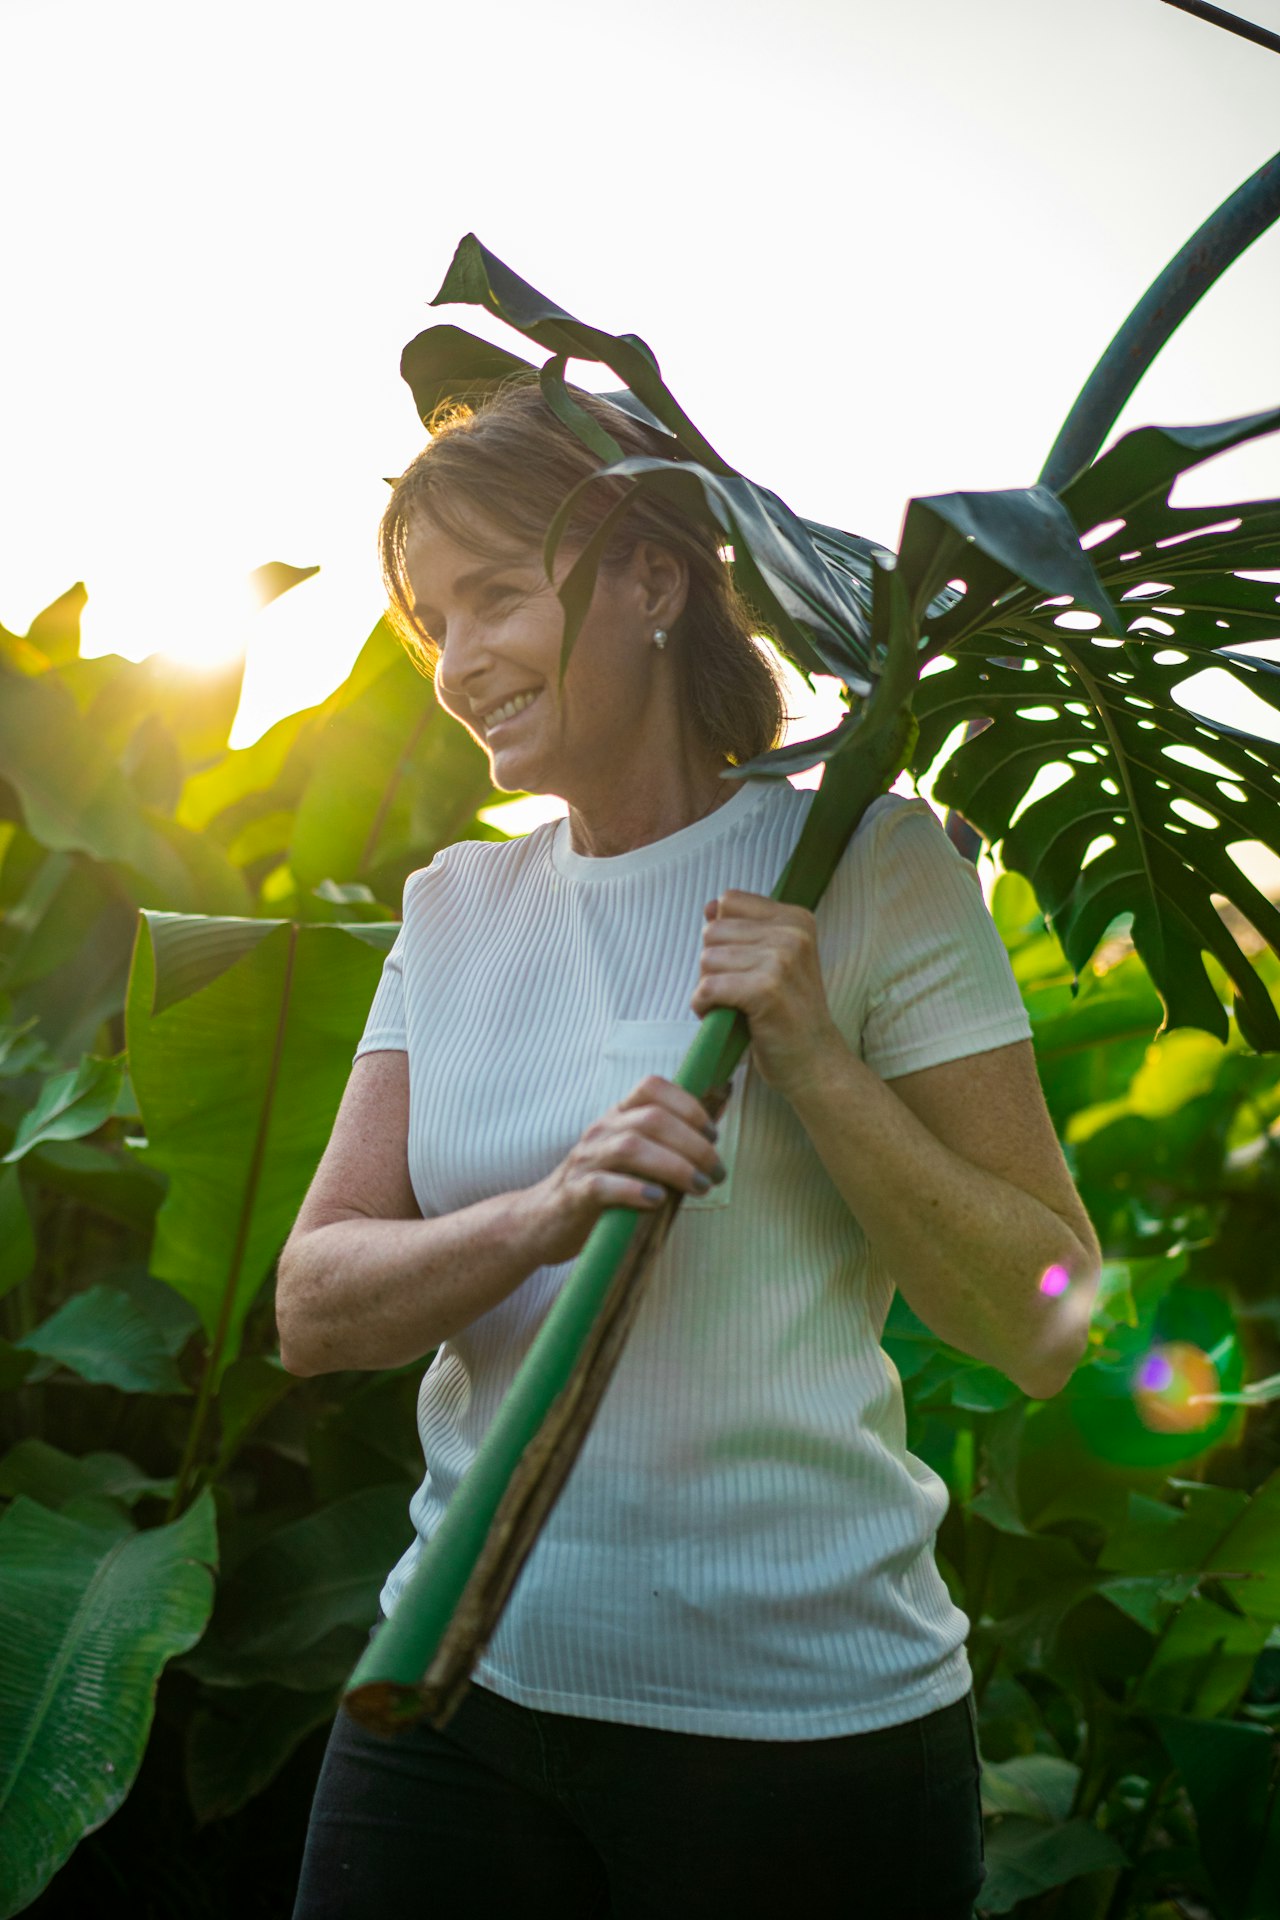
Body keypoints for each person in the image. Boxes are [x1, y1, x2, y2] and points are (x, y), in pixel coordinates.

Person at [278, 380, 1101, 1920]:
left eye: (498, 598)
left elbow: (1045, 1321)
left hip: (796, 1744)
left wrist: (811, 1054)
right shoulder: (454, 909)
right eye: (432, 622)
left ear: (656, 579)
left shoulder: (869, 865)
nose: (459, 666)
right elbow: (316, 1304)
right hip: (451, 1689)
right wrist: (543, 1213)